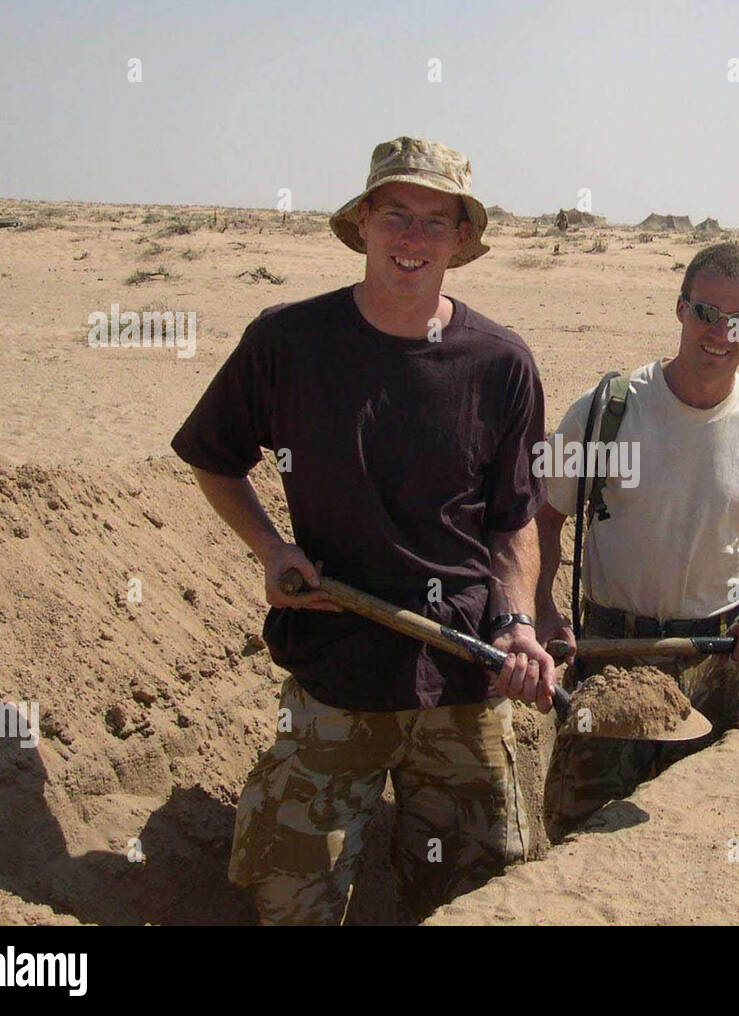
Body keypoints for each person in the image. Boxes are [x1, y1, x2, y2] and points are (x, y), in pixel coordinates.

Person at [171, 136, 557, 924]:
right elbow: (214, 458)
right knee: (292, 900)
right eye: (396, 215)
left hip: (463, 675)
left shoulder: (500, 363)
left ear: (460, 238)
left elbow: (513, 521)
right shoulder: (288, 342)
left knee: (476, 893)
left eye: (435, 221)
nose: (413, 238)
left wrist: (518, 622)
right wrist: (271, 548)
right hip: (335, 670)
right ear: (363, 223)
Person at [535, 242, 739, 839]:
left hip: (719, 661)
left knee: (701, 833)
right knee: (581, 832)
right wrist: (542, 609)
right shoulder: (606, 412)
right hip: (614, 656)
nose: (721, 333)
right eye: (707, 313)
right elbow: (543, 516)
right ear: (681, 308)